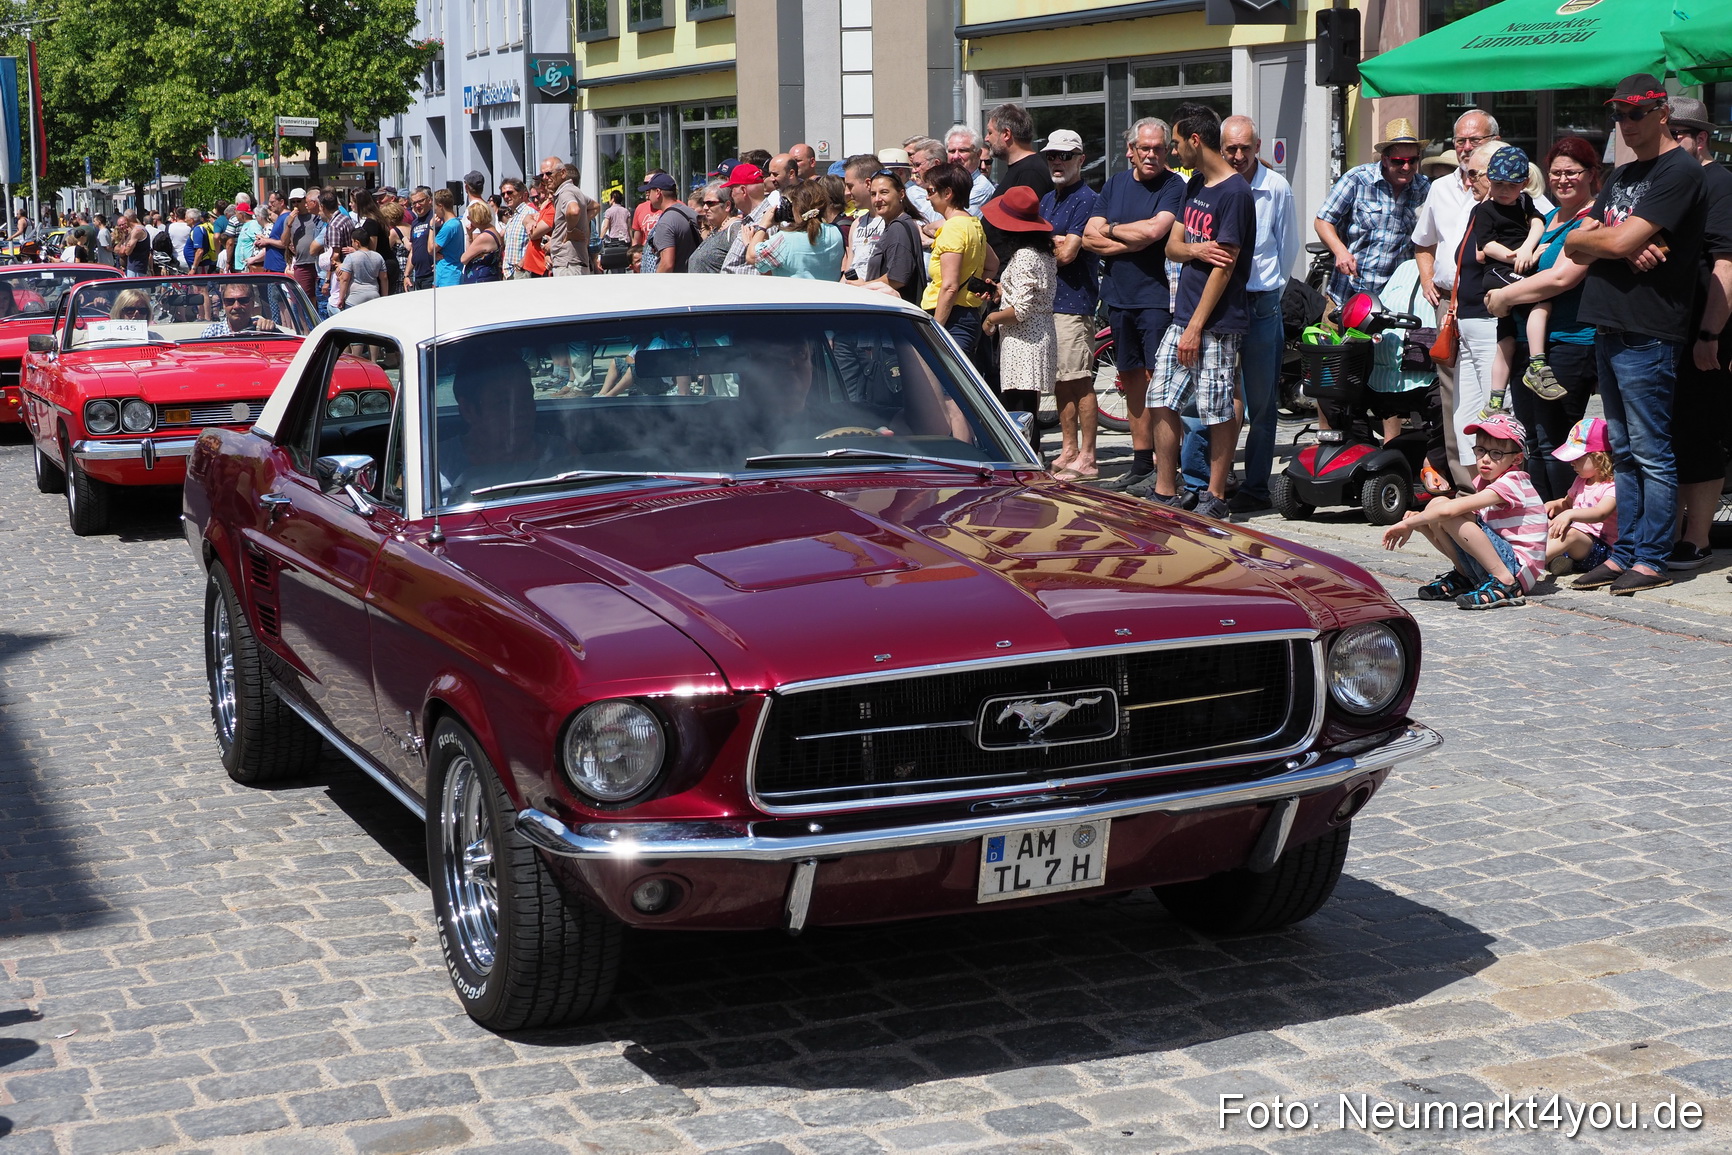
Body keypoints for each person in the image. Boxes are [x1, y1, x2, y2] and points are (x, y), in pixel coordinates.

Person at [1564, 73, 1705, 595]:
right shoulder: (1622, 175)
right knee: (1621, 448)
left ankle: (1651, 556)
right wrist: (1612, 242)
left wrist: (1614, 239)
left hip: (1649, 327)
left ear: (1662, 113)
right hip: (1609, 322)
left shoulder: (1680, 171)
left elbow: (1613, 237)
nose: (1625, 123)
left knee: (1650, 449)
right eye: (1618, 114)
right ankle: (1624, 552)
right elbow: (1574, 243)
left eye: (1635, 114)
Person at [1143, 103, 1254, 522]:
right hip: (1183, 314)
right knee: (1161, 398)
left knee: (1216, 407)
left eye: (1175, 143)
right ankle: (1165, 490)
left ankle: (1216, 493)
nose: (1172, 152)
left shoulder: (1236, 193)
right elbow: (1173, 247)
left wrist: (1195, 327)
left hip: (1216, 321)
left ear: (1195, 140)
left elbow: (1223, 270)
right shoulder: (1195, 186)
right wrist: (1193, 249)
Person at [1183, 114, 1297, 514]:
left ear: (1258, 147)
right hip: (1220, 304)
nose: (1237, 155)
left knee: (1262, 403)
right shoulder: (1208, 185)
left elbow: (1287, 248)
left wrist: (1267, 289)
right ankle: (1200, 483)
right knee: (1210, 398)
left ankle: (1255, 486)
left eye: (1244, 148)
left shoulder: (1275, 188)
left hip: (1260, 302)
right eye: (1230, 148)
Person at [1484, 137, 1603, 502]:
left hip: (1569, 342)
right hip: (1525, 342)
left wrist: (1502, 297)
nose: (1563, 180)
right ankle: (1538, 526)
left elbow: (1560, 279)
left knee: (1555, 439)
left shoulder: (1592, 220)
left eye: (1572, 172)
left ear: (1591, 175)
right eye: (1556, 173)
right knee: (1532, 441)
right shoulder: (1547, 217)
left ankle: (1566, 528)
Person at [1083, 118, 1185, 494]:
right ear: (1133, 150)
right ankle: (1140, 463)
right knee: (1130, 382)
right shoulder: (1115, 184)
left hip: (1157, 299)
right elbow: (1088, 236)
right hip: (1117, 297)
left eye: (1159, 148)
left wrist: (1111, 229)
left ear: (1167, 150)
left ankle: (1165, 468)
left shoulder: (1175, 185)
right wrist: (1124, 236)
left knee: (1162, 385)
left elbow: (1155, 232)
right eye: (1145, 148)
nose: (1152, 155)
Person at [1658, 95, 1732, 574]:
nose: (1670, 142)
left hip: (1708, 333)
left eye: (1678, 134)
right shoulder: (1669, 179)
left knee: (1700, 434)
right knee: (1678, 433)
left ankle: (1699, 538)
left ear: (1700, 139)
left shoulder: (1719, 182)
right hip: (1668, 329)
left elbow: (1726, 265)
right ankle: (1683, 529)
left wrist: (1710, 333)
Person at [1381, 412, 1547, 611]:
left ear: (1517, 458)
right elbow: (1454, 529)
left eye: (1496, 454)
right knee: (1438, 504)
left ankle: (1505, 584)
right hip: (1502, 560)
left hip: (1516, 570)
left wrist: (1407, 523)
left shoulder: (1514, 481)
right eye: (1480, 450)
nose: (1485, 459)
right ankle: (1466, 576)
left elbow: (1451, 512)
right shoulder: (1486, 483)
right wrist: (1423, 526)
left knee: (1448, 511)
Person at [1038, 129, 1102, 480]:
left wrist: (1052, 244)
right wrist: (1054, 242)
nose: (1057, 161)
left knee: (1079, 380)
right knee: (1062, 381)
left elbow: (1067, 254)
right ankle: (1069, 449)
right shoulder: (1048, 200)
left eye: (1064, 155)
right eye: (1052, 156)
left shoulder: (1087, 199)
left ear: (1081, 158)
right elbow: (1037, 246)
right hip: (1049, 300)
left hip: (1074, 302)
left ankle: (1089, 457)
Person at [1315, 117, 1431, 304]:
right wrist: (1340, 251)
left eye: (1412, 160)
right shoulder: (1358, 179)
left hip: (1395, 298)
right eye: (1398, 161)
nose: (1406, 167)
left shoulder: (1424, 188)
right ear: (1385, 160)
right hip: (1348, 293)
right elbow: (1322, 221)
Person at [1471, 145, 1546, 415]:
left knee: (1506, 339)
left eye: (1511, 185)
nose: (1503, 190)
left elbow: (1538, 222)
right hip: (1498, 272)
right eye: (1498, 183)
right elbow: (1487, 246)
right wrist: (1518, 257)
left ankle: (1495, 400)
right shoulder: (1485, 210)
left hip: (1518, 265)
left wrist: (1529, 248)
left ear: (1524, 184)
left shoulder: (1525, 202)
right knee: (1542, 298)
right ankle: (1538, 364)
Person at [980, 187, 1058, 444]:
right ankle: (1033, 458)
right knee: (1028, 411)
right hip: (1037, 336)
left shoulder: (1024, 256)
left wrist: (991, 319)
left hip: (1023, 342)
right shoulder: (1043, 253)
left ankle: (1028, 465)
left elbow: (1021, 311)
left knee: (1018, 413)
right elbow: (1033, 297)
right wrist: (1002, 290)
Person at [919, 163, 990, 355]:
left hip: (950, 320)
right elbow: (992, 264)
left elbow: (949, 286)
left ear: (948, 193)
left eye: (931, 190)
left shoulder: (953, 228)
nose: (927, 197)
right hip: (966, 316)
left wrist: (937, 329)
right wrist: (974, 291)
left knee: (939, 383)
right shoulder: (973, 223)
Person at [981, 104, 1055, 267]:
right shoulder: (1021, 169)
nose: (987, 139)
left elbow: (1023, 232)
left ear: (1006, 134)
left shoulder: (1030, 172)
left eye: (990, 132)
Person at [1543, 417, 1618, 576]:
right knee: (1550, 527)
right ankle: (1559, 559)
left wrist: (1570, 514)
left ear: (1598, 458)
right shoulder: (1581, 480)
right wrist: (1553, 505)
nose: (1572, 463)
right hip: (1580, 544)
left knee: (1570, 534)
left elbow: (1601, 513)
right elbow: (1567, 503)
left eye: (1577, 459)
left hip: (1603, 550)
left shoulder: (1612, 486)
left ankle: (1526, 565)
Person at [748, 180, 843, 279]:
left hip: (794, 294)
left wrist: (762, 226)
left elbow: (752, 257)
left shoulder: (784, 239)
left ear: (796, 207)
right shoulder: (836, 232)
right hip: (829, 293)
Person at [857, 170, 925, 303]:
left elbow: (897, 278)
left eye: (884, 192)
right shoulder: (897, 225)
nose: (877, 199)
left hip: (897, 311)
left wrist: (862, 287)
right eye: (873, 194)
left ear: (901, 194)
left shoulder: (898, 228)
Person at [641, 173, 701, 274]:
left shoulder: (666, 222)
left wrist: (654, 285)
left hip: (675, 284)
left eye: (649, 191)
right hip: (692, 277)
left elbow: (667, 264)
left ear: (658, 192)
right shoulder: (689, 212)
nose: (647, 195)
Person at [546, 160, 597, 276]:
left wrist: (570, 231)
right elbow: (596, 207)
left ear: (562, 174)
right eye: (543, 175)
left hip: (568, 264)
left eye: (549, 174)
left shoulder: (565, 192)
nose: (545, 178)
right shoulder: (575, 191)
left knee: (567, 294)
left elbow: (574, 211)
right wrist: (582, 221)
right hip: (574, 261)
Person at [687, 181, 740, 274]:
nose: (705, 207)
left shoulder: (735, 228)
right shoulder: (717, 229)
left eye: (710, 203)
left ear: (727, 206)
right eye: (704, 203)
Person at [945, 124, 996, 215]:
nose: (956, 156)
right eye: (952, 151)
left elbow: (958, 220)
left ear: (978, 154)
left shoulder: (981, 188)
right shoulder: (944, 182)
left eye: (963, 150)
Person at [200, 283, 285, 337]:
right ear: (223, 304)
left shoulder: (262, 329)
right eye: (230, 301)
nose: (236, 306)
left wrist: (271, 330)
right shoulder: (212, 333)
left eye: (243, 301)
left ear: (252, 303)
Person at [498, 177, 538, 280]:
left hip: (522, 272)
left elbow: (536, 243)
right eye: (503, 194)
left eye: (510, 192)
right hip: (509, 273)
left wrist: (520, 265)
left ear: (521, 194)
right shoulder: (513, 216)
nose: (506, 196)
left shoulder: (530, 213)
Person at [340, 232, 387, 308]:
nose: (352, 244)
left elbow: (344, 279)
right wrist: (385, 297)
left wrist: (341, 298)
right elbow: (384, 278)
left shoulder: (351, 257)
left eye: (352, 241)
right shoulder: (378, 257)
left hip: (354, 299)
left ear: (357, 243)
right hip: (374, 297)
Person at [459, 202, 502, 283]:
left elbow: (464, 259)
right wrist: (469, 234)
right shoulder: (493, 230)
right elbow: (470, 254)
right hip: (490, 277)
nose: (468, 218)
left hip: (481, 280)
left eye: (470, 216)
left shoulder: (484, 237)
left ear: (476, 217)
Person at [430, 189, 464, 287]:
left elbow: (430, 249)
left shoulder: (450, 226)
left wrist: (431, 227)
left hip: (448, 275)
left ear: (440, 206)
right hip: (446, 273)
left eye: (435, 207)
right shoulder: (456, 223)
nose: (434, 211)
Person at [406, 187, 436, 290]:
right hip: (418, 275)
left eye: (420, 201)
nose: (417, 205)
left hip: (432, 275)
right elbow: (413, 250)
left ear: (429, 200)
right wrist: (406, 275)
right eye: (414, 203)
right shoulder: (415, 223)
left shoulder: (435, 219)